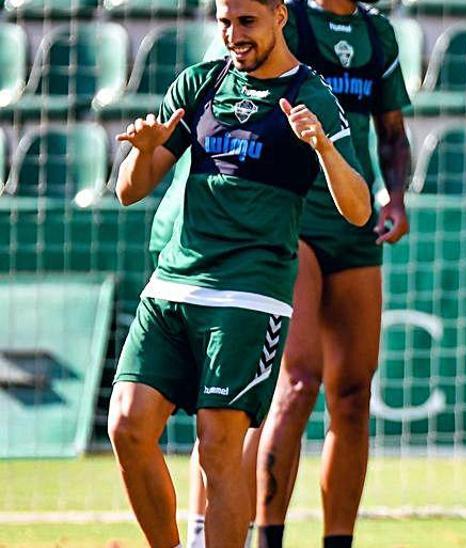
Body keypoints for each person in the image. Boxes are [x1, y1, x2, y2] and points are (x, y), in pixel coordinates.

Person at [106, 0, 370, 542]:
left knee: (219, 444)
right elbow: (130, 190)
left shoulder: (311, 95)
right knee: (127, 426)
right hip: (172, 285)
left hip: (248, 296)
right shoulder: (199, 84)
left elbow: (359, 208)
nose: (233, 35)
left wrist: (321, 146)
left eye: (246, 22)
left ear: (279, 15)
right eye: (224, 22)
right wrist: (144, 152)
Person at [177, 0, 412, 544]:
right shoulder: (284, 22)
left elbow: (393, 133)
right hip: (289, 216)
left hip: (354, 219)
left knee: (353, 394)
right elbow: (226, 94)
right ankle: (267, 536)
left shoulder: (377, 34)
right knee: (298, 379)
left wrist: (395, 197)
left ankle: (338, 540)